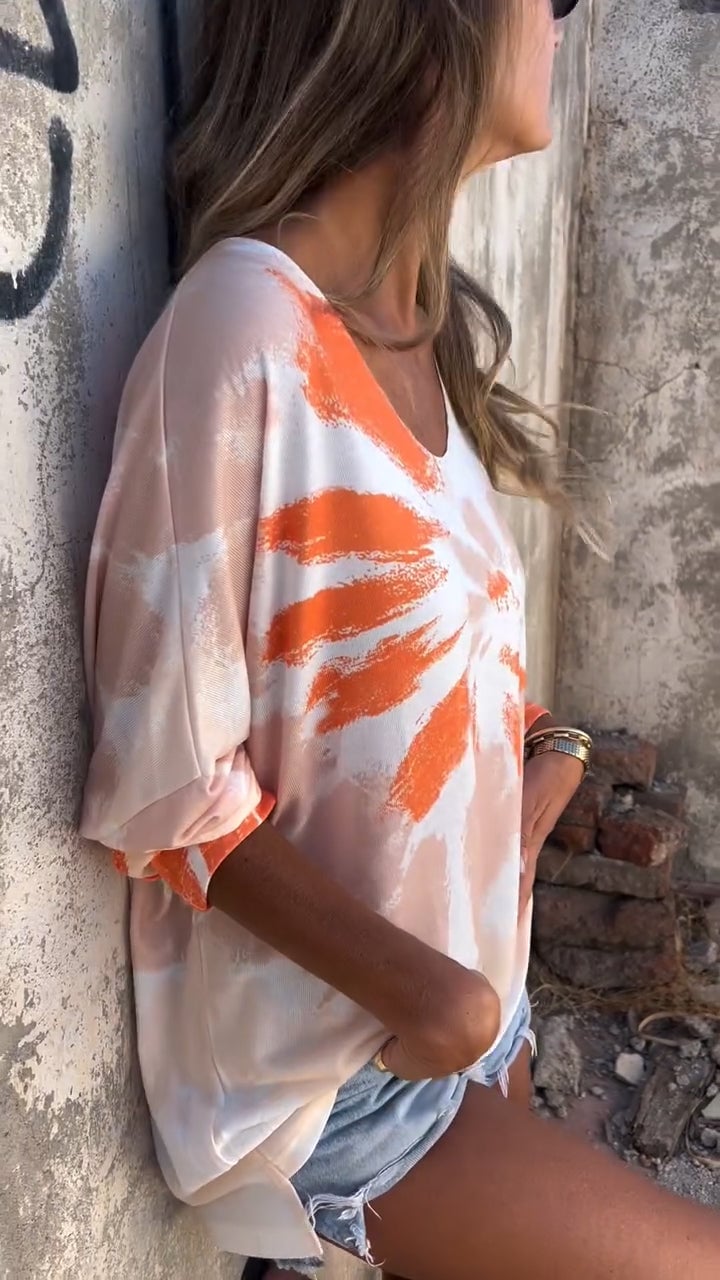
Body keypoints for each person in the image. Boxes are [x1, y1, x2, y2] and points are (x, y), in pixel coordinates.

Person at [80, 1, 720, 1277]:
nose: (559, 18)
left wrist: (546, 764)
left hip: (468, 1009)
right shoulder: (243, 326)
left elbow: (410, 668)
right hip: (341, 1078)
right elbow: (164, 783)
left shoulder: (417, 339)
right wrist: (438, 999)